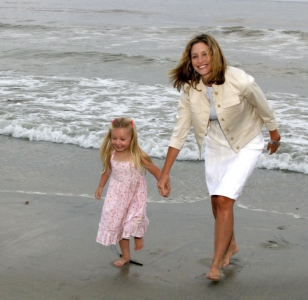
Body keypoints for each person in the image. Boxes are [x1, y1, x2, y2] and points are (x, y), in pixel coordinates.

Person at [157, 34, 281, 281]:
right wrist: (165, 172)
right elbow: (180, 131)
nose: (200, 60)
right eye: (195, 56)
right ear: (190, 60)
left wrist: (274, 135)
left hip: (246, 141)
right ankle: (231, 243)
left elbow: (263, 105)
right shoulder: (190, 89)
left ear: (214, 54)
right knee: (216, 203)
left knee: (225, 201)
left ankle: (216, 263)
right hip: (216, 145)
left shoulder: (239, 79)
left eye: (205, 54)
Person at [95, 117, 161, 267]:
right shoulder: (111, 154)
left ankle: (138, 235)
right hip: (116, 195)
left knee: (134, 218)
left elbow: (155, 170)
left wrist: (162, 183)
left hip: (135, 194)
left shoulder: (138, 155)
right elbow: (107, 171)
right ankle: (125, 256)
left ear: (132, 138)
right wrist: (100, 187)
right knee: (119, 225)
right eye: (114, 138)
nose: (118, 142)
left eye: (123, 139)